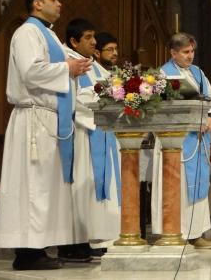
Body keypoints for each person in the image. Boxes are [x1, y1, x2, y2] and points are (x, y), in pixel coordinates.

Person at [0, 0, 91, 270]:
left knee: (45, 188)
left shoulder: (49, 35)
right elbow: (30, 70)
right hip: (33, 119)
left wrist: (79, 67)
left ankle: (38, 247)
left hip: (50, 118)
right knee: (32, 186)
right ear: (37, 3)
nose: (60, 4)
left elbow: (70, 64)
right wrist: (67, 69)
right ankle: (26, 252)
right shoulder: (27, 32)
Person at [154, 33, 211, 249]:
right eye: (185, 52)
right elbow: (167, 106)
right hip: (177, 140)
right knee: (179, 186)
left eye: (192, 52)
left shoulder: (198, 73)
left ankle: (196, 233)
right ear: (173, 53)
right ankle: (176, 232)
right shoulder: (165, 74)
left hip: (199, 138)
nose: (190, 56)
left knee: (198, 183)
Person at [64, 19, 120, 259]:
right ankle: (77, 241)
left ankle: (97, 238)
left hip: (101, 131)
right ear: (74, 41)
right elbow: (72, 98)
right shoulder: (67, 61)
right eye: (88, 37)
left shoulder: (96, 66)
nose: (94, 42)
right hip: (82, 133)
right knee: (83, 185)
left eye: (93, 36)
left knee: (99, 187)